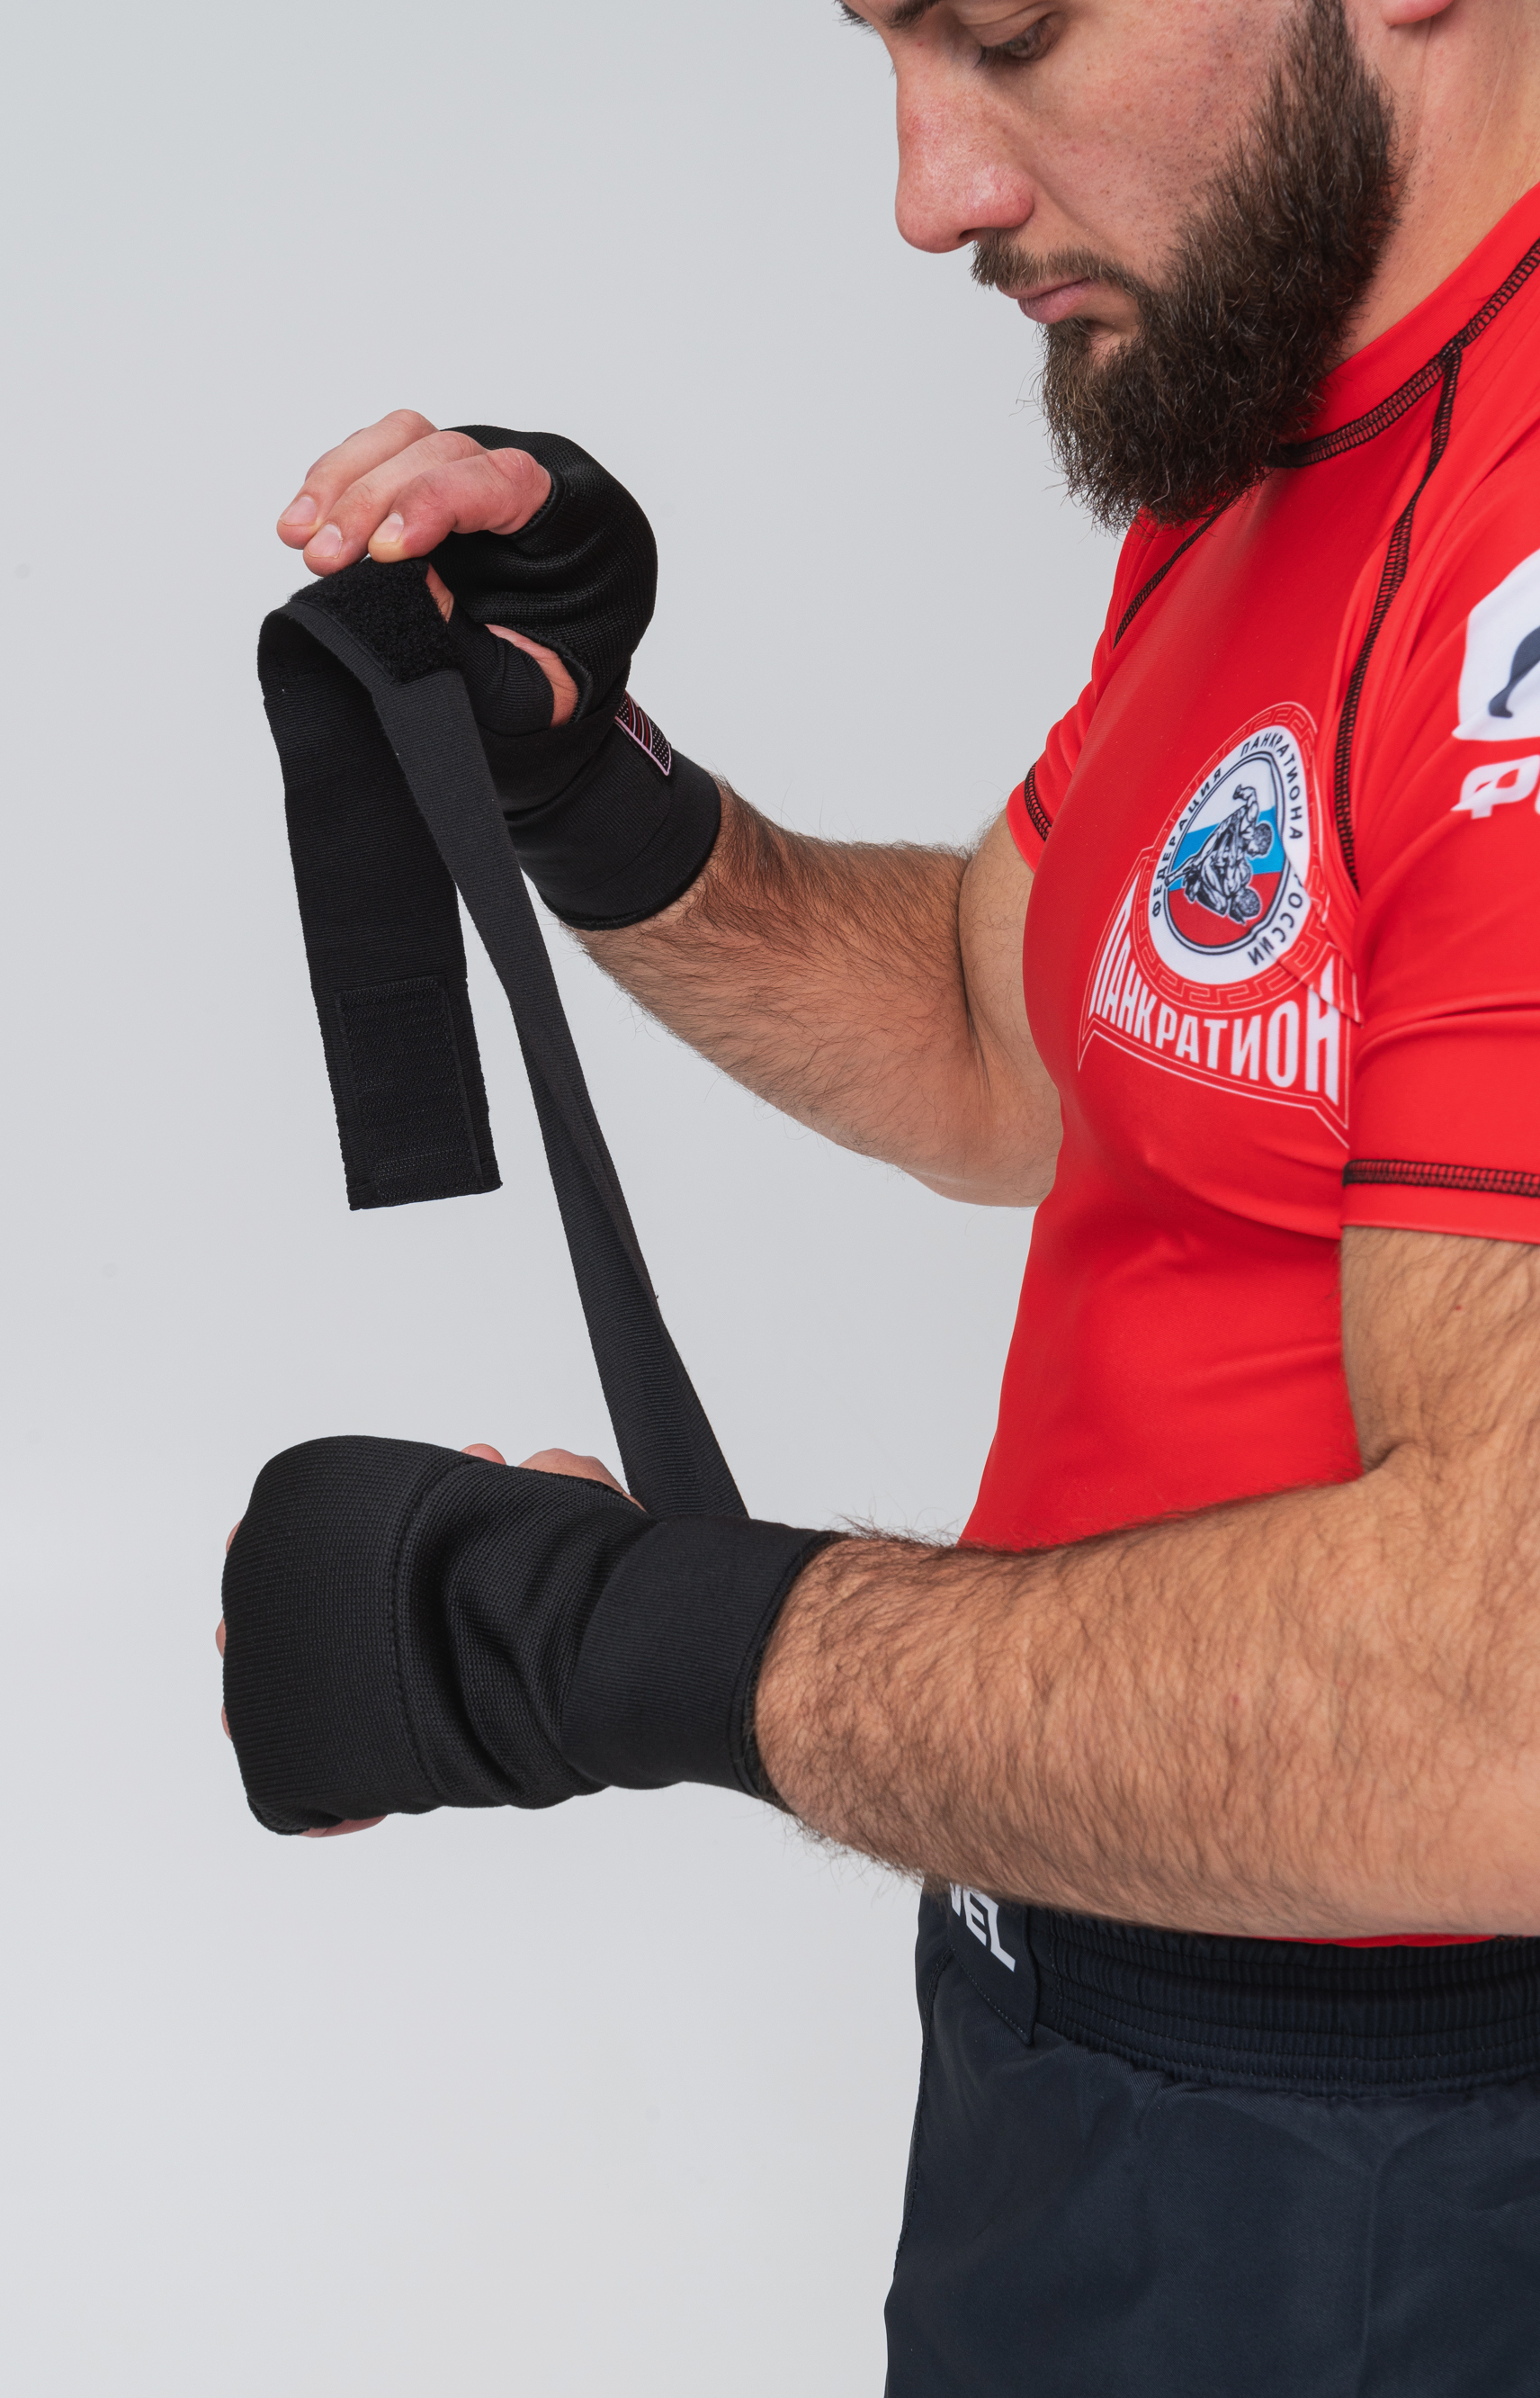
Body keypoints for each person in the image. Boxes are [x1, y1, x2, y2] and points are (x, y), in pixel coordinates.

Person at [221, 0, 1540, 2385]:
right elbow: (1012, 1036)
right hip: (1091, 2011)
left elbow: (1501, 1699)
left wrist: (604, 1637)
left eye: (1011, 31)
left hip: (1400, 2165)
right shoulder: (1286, 396)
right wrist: (588, 786)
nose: (929, 191)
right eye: (888, 44)